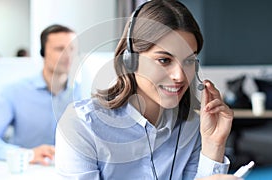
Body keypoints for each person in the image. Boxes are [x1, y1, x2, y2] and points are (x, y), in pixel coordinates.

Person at [55, 1, 240, 179]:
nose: (180, 76)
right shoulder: (81, 125)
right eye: (164, 60)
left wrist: (213, 144)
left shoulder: (192, 127)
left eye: (189, 61)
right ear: (130, 61)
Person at [0, 24, 81, 166]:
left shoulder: (87, 94)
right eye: (60, 49)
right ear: (43, 52)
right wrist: (26, 154)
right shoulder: (14, 91)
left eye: (72, 49)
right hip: (28, 171)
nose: (68, 55)